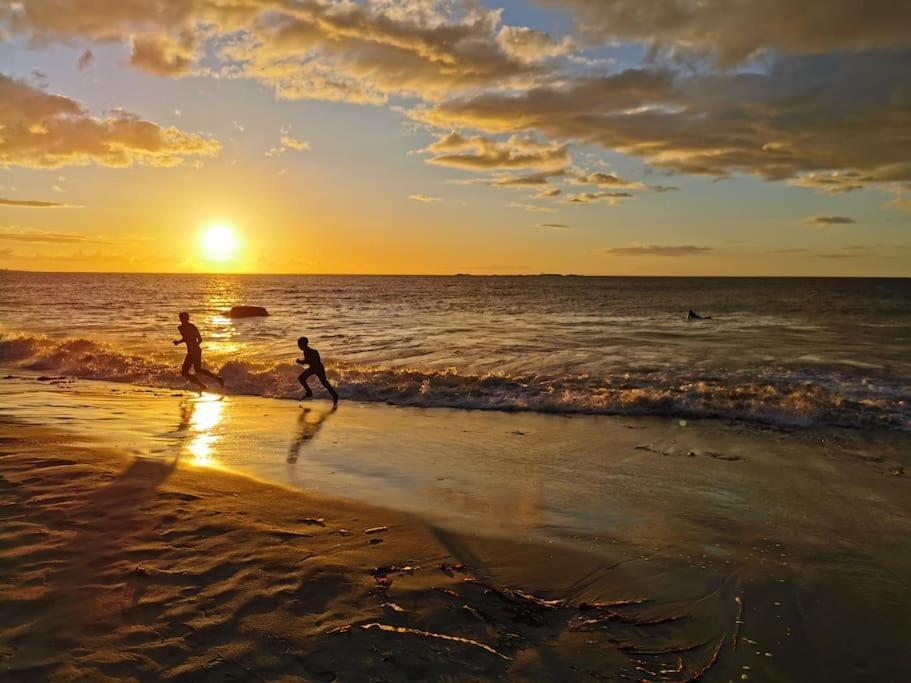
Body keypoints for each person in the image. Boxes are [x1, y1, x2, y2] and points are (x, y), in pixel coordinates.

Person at [173, 312, 224, 392]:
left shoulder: (192, 327)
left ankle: (209, 382)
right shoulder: (180, 328)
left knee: (190, 371)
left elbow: (200, 339)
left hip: (196, 351)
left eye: (184, 318)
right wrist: (178, 342)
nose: (182, 320)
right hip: (191, 351)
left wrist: (195, 346)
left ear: (187, 319)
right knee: (193, 371)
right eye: (181, 318)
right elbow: (186, 338)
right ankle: (211, 381)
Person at [296, 336, 338, 405]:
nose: (299, 346)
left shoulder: (308, 351)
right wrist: (302, 362)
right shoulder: (309, 351)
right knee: (302, 378)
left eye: (299, 344)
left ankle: (334, 395)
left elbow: (308, 361)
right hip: (315, 368)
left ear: (304, 344)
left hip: (317, 368)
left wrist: (300, 362)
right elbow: (309, 361)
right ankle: (309, 392)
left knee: (324, 383)